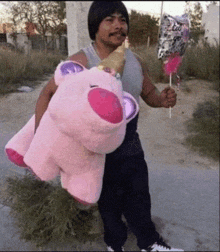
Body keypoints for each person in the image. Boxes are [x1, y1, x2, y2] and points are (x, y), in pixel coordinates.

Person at [34, 1, 184, 251]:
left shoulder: (135, 60)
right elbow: (47, 95)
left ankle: (149, 242)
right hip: (95, 147)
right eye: (110, 20)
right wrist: (41, 141)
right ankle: (115, 245)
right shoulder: (82, 60)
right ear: (95, 26)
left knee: (139, 195)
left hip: (130, 141)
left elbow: (149, 94)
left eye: (122, 20)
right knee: (108, 203)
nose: (118, 26)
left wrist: (163, 100)